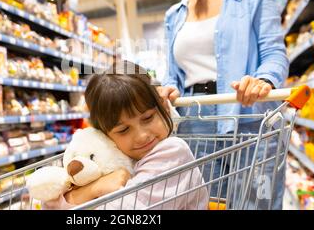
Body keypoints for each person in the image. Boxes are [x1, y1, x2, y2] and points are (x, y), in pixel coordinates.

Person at [157, 0, 289, 210]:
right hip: (194, 123)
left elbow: (274, 53)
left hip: (249, 118)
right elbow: (173, 75)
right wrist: (166, 89)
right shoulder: (174, 15)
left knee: (253, 205)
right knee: (207, 205)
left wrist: (263, 80)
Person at [43, 60, 209, 210]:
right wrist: (93, 189)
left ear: (163, 108)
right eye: (123, 130)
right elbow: (46, 202)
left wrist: (82, 196)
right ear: (105, 135)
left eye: (148, 118)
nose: (142, 135)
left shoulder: (172, 152)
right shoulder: (114, 155)